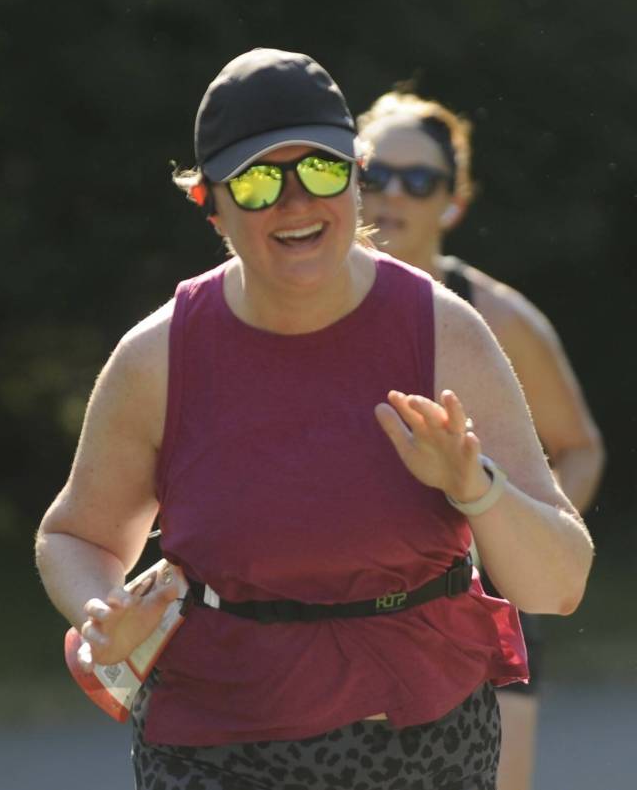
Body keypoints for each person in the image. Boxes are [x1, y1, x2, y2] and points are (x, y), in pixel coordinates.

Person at [35, 48, 594, 790]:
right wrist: (105, 613)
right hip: (214, 743)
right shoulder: (160, 355)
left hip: (422, 742)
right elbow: (74, 534)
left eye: (322, 171)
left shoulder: (445, 332)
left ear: (357, 179)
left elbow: (558, 585)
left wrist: (477, 486)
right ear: (210, 200)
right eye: (261, 180)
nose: (296, 203)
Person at [356, 90, 606, 790]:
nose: (392, 194)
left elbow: (580, 445)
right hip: (344, 617)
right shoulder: (299, 307)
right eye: (375, 174)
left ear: (454, 202)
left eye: (421, 180)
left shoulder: (494, 316)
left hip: (480, 617)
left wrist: (513, 545)